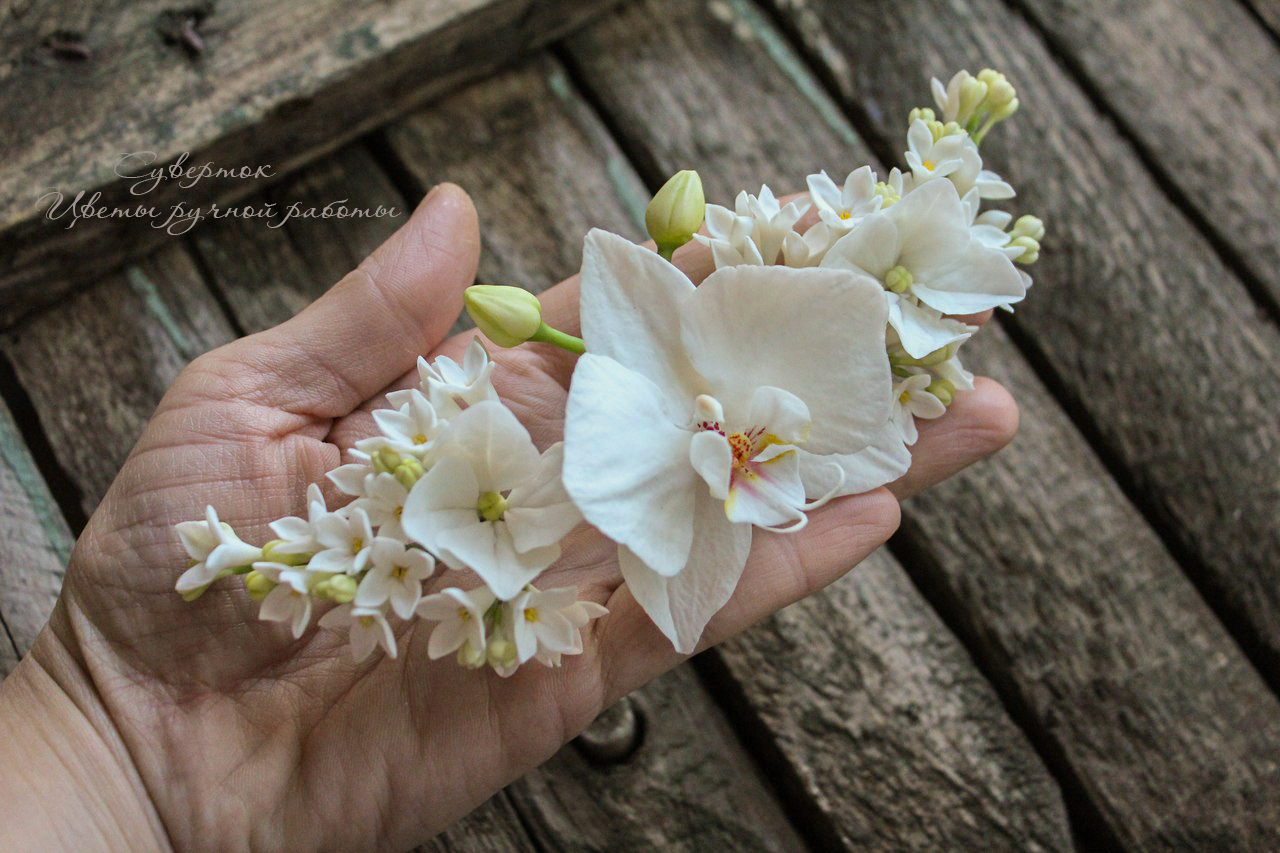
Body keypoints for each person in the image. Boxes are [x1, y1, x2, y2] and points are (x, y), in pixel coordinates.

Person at [0, 184, 1017, 851]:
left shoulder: (745, 450)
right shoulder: (647, 409)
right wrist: (110, 743)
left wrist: (114, 763)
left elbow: (864, 446)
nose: (750, 450)